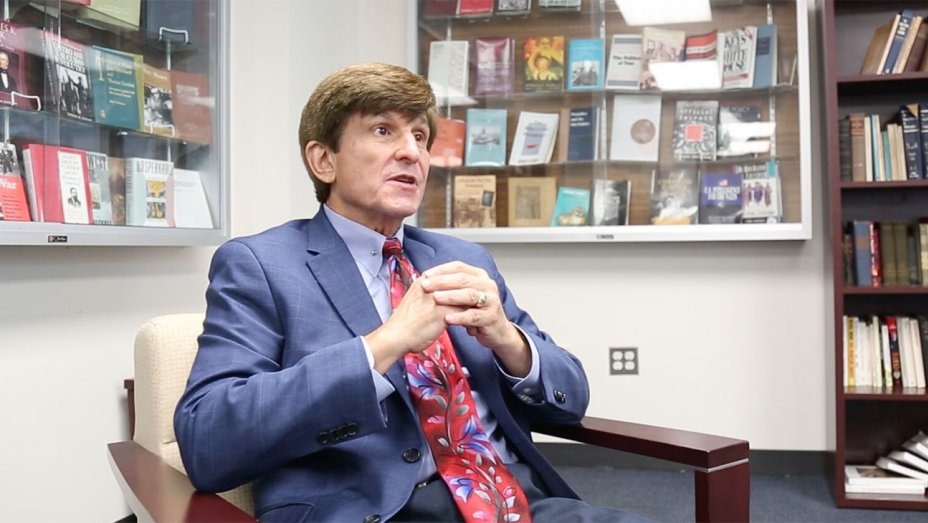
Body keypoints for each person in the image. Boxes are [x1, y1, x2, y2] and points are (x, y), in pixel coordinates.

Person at [174, 62, 647, 523]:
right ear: (323, 160)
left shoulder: (463, 258)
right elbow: (208, 441)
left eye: (420, 137)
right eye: (383, 131)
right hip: (376, 509)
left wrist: (508, 339)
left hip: (515, 500)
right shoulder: (262, 264)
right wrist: (383, 345)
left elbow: (572, 396)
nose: (411, 153)